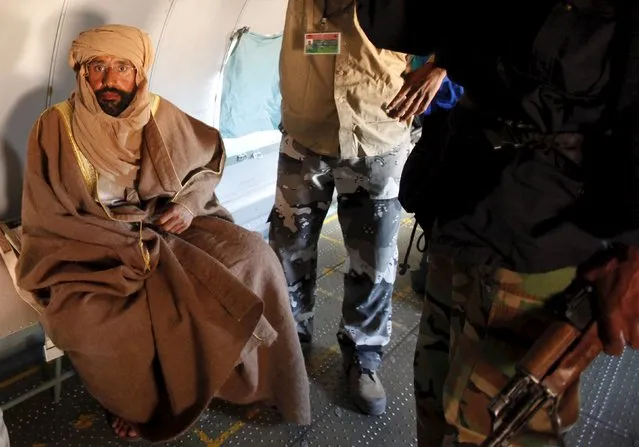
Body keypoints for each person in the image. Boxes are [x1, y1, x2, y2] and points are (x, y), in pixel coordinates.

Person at [356, 0, 639, 446]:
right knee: (435, 408)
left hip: (549, 240)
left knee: (502, 431)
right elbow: (397, 22)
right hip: (462, 206)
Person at [15, 24, 310, 442]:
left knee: (253, 256)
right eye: (97, 67)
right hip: (90, 245)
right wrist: (123, 237)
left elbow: (208, 160)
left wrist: (187, 207)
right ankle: (135, 406)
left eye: (122, 67)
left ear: (139, 73)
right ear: (82, 73)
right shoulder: (53, 127)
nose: (109, 80)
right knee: (97, 320)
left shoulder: (157, 112)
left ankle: (250, 379)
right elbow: (49, 214)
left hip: (166, 228)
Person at [269, 0, 446, 416]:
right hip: (306, 126)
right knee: (289, 245)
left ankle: (364, 354)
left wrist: (442, 66)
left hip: (376, 125)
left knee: (375, 257)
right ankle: (288, 342)